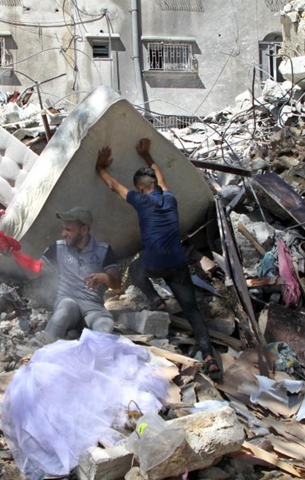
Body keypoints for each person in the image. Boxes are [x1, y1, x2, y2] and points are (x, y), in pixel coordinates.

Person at [95, 139, 221, 379]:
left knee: (134, 268)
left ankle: (155, 300)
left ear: (140, 188)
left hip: (154, 265)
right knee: (191, 309)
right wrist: (146, 154)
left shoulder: (140, 201)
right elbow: (161, 178)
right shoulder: (170, 199)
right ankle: (209, 356)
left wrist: (100, 167)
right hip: (178, 264)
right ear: (153, 185)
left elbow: (113, 185)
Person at [38, 206, 121, 343]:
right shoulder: (58, 248)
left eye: (68, 230)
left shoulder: (104, 250)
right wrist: (13, 253)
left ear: (84, 230)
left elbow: (117, 284)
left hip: (93, 308)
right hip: (67, 303)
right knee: (67, 307)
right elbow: (34, 269)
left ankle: (94, 356)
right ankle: (43, 347)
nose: (63, 233)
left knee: (105, 323)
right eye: (63, 229)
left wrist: (105, 278)